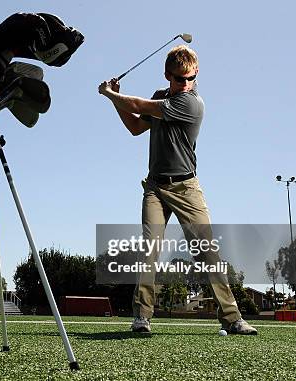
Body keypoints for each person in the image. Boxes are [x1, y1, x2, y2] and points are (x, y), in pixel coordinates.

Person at [98, 45, 257, 335]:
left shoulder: (192, 104)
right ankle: (142, 317)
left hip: (186, 188)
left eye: (191, 78)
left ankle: (233, 319)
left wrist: (111, 94)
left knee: (206, 252)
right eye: (180, 79)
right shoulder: (161, 96)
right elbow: (135, 127)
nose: (186, 85)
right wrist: (115, 101)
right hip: (155, 188)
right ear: (167, 75)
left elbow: (138, 106)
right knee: (149, 249)